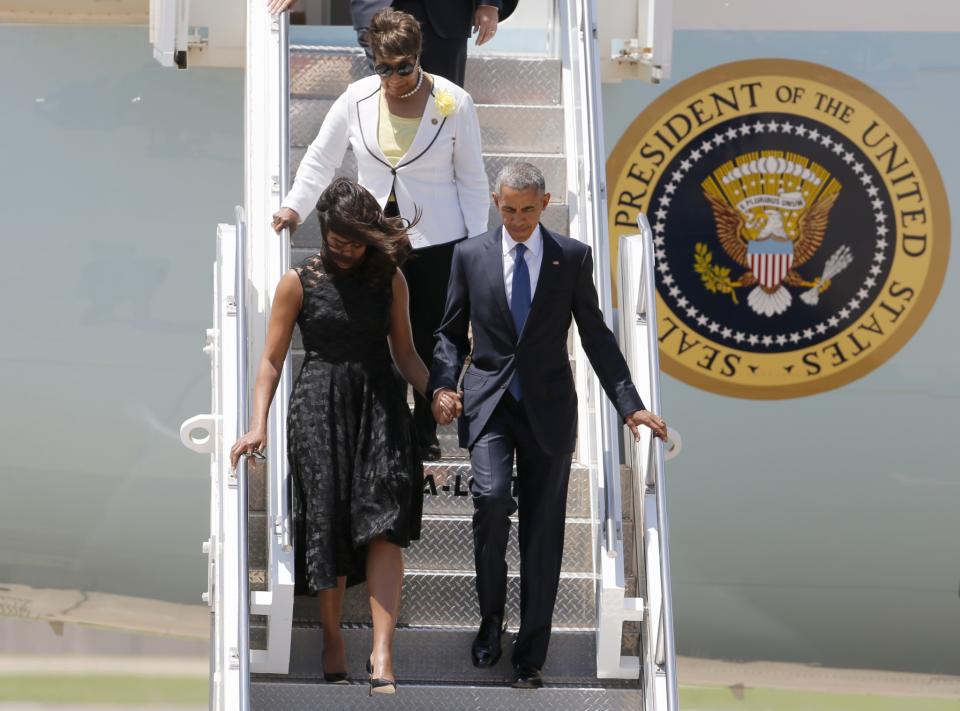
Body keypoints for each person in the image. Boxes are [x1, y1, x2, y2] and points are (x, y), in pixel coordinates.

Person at [428, 163, 668, 689]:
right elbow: (448, 333)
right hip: (489, 404)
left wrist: (630, 405)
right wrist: (443, 385)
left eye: (528, 210)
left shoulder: (571, 257)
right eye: (508, 209)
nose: (517, 220)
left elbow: (596, 335)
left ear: (547, 202)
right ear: (495, 200)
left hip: (549, 409)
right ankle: (491, 620)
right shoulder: (470, 255)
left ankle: (530, 654)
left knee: (543, 532)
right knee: (490, 501)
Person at [232, 179, 428, 694]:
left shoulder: (391, 279)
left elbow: (405, 353)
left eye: (355, 243)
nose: (345, 251)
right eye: (337, 242)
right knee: (327, 520)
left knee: (386, 519)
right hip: (319, 404)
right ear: (322, 231)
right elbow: (271, 361)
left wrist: (438, 392)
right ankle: (332, 637)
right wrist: (258, 424)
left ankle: (382, 654)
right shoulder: (298, 281)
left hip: (381, 401)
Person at [273, 7, 489, 461]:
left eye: (403, 67)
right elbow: (320, 158)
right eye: (382, 67)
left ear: (418, 55)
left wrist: (478, 248)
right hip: (374, 238)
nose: (392, 77)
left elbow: (471, 180)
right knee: (379, 330)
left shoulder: (453, 101)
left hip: (438, 238)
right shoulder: (355, 97)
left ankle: (425, 427)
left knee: (435, 333)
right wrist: (294, 205)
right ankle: (385, 420)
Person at [266, 0, 514, 82]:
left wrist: (489, 2)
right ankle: (388, 200)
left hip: (444, 14)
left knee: (443, 110)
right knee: (383, 106)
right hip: (379, 8)